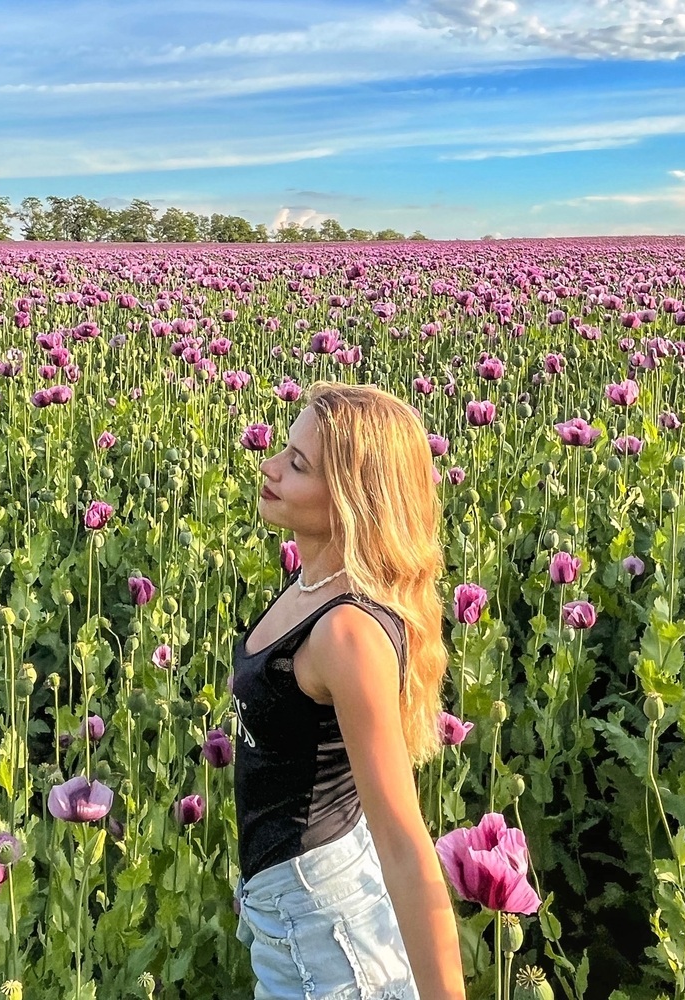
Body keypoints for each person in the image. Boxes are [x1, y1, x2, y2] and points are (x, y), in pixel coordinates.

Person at [231, 381, 466, 1000]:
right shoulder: (311, 585)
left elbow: (405, 844)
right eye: (284, 450)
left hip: (322, 933)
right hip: (295, 909)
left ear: (350, 500)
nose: (270, 467)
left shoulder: (348, 632)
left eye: (298, 465)